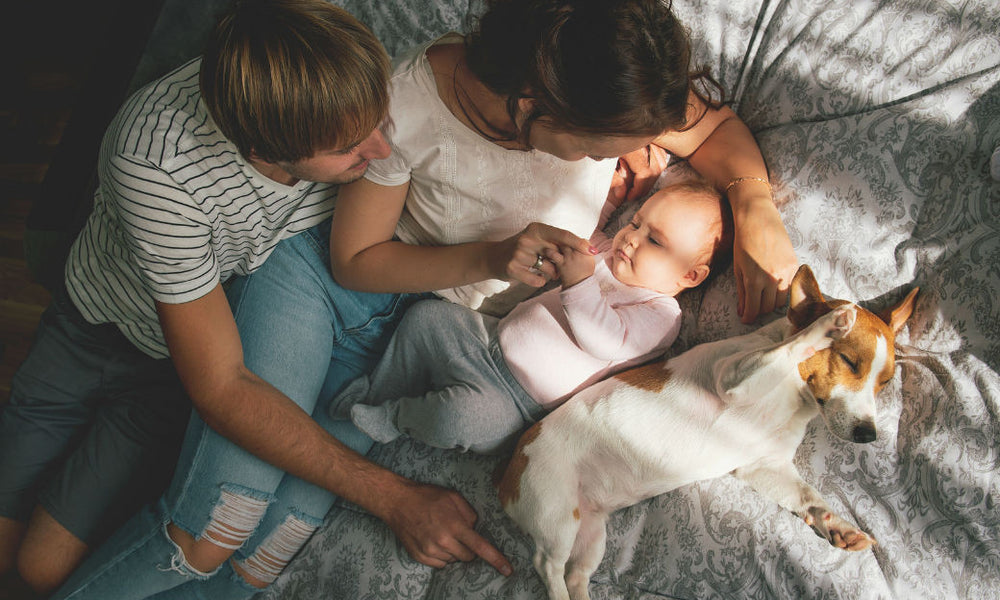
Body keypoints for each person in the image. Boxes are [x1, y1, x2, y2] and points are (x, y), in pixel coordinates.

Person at [54, 0, 797, 598]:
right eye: (605, 148)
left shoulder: (597, 84)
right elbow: (352, 261)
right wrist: (488, 257)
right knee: (219, 524)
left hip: (419, 334)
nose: (635, 158)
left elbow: (716, 130)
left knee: (270, 548)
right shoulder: (408, 106)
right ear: (533, 108)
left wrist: (755, 203)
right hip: (331, 291)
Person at [1, 0, 492, 597]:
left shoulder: (326, 67)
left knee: (41, 568)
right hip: (91, 330)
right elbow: (224, 384)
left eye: (380, 123)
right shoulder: (156, 163)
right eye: (348, 150)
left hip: (171, 374)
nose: (381, 154)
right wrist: (394, 497)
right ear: (261, 152)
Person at [333, 181, 733, 454]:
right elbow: (580, 234)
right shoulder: (612, 252)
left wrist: (580, 282)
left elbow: (605, 339)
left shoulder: (662, 315)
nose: (631, 237)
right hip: (484, 339)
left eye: (655, 240)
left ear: (690, 276)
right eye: (636, 221)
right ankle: (377, 390)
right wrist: (607, 206)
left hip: (513, 403)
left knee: (459, 420)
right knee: (425, 319)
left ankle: (394, 416)